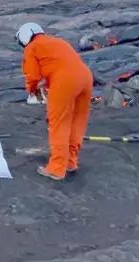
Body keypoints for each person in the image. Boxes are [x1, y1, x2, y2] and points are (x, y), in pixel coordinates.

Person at [15, 23, 93, 181]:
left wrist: (32, 91)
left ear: (24, 36)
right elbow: (60, 65)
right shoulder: (58, 41)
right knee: (77, 121)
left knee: (59, 123)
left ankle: (57, 168)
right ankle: (70, 162)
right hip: (86, 78)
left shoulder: (32, 47)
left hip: (64, 81)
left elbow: (32, 76)